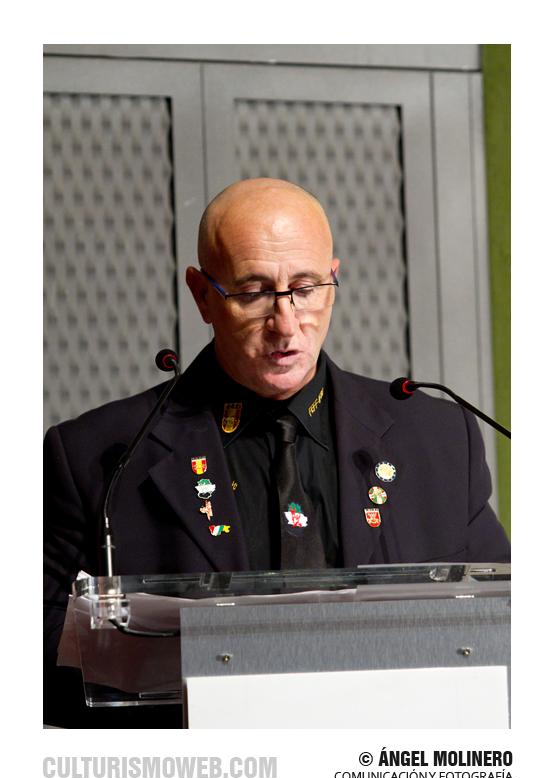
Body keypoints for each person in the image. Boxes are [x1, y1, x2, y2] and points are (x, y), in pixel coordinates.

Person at [44, 177, 510, 726]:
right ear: (202, 295)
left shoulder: (436, 438)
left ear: (333, 280)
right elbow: (36, 653)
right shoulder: (98, 455)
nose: (286, 325)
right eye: (254, 292)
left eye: (306, 288)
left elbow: (502, 627)